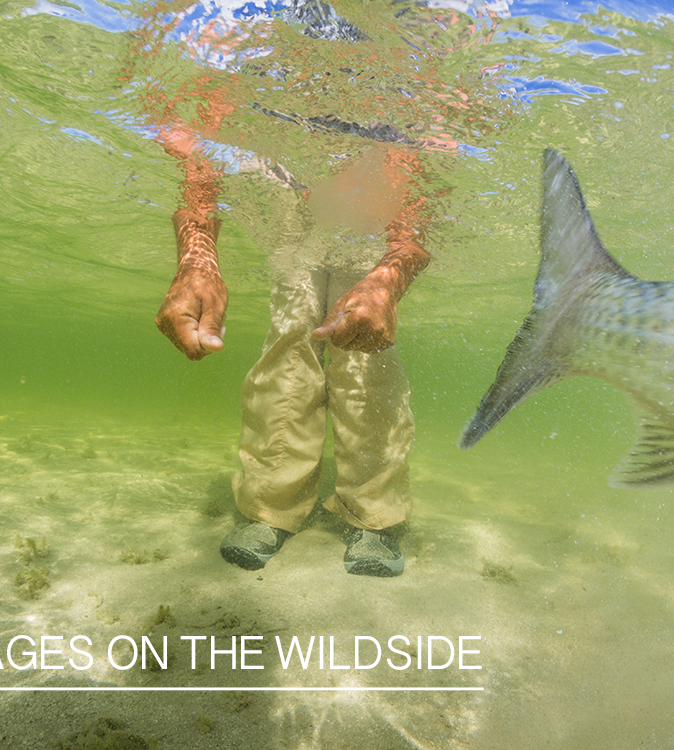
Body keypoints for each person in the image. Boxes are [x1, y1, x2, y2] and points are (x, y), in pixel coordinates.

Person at [140, 0, 501, 577]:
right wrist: (194, 262)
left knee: (365, 352)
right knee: (292, 331)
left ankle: (374, 515)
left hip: (376, 176)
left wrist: (389, 280)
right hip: (284, 180)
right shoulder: (242, 27)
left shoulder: (424, 44)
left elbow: (417, 202)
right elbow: (201, 167)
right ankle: (270, 505)